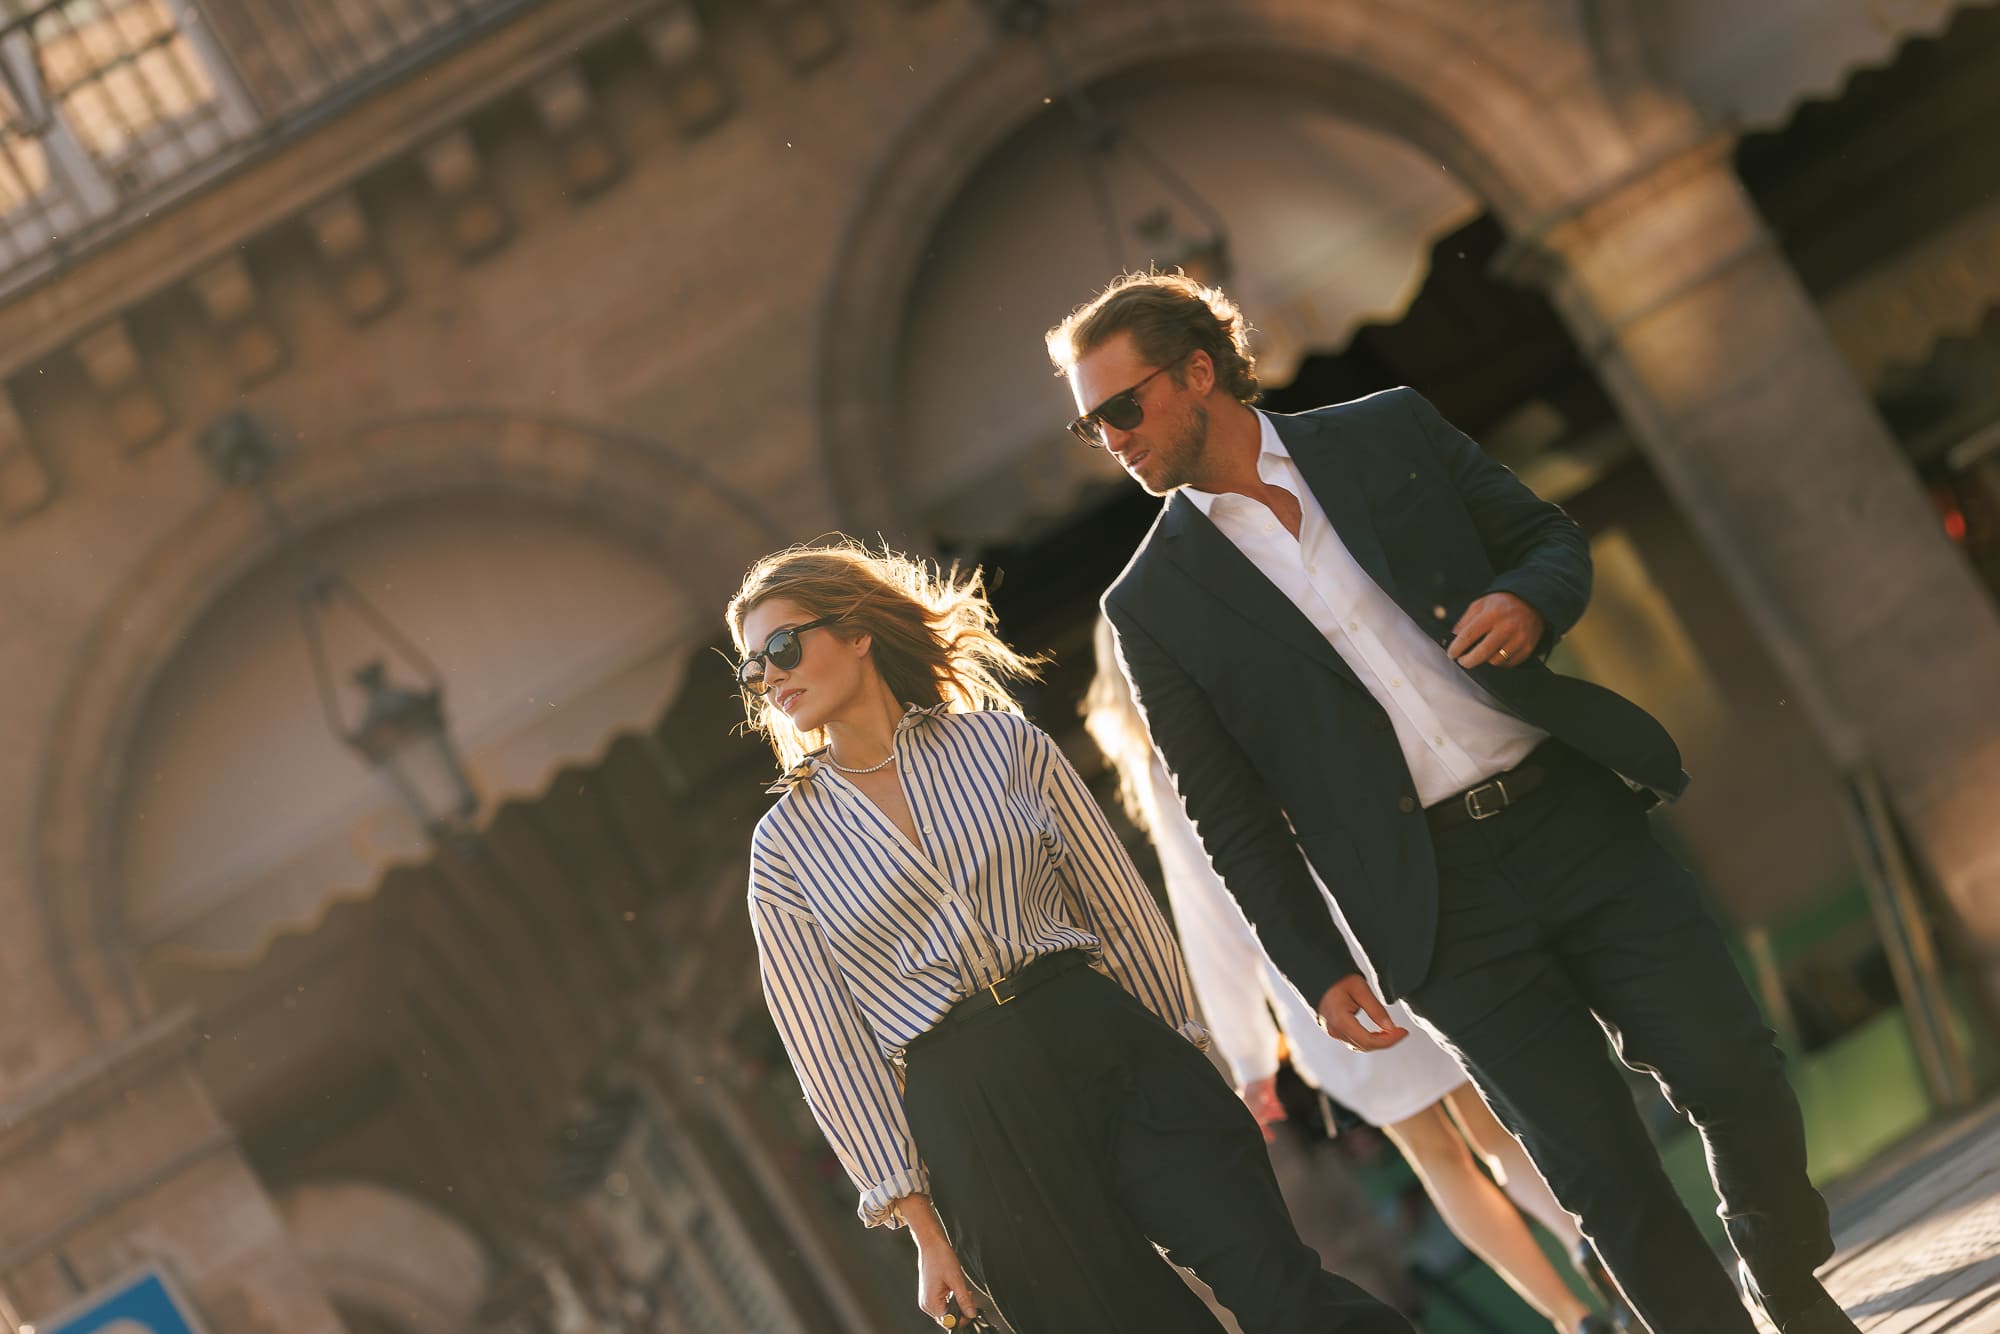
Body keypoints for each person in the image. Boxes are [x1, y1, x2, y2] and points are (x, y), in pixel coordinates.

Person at [1045, 271, 1855, 1334]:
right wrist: (1316, 968)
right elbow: (1222, 812)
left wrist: (1526, 599)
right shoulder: (1149, 604)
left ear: (1198, 370)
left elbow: (1546, 539)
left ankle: (1782, 1281)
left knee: (1731, 1068)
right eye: (1089, 421)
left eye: (1121, 406)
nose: (1110, 437)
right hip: (1434, 908)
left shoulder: (1386, 431)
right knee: (1599, 1173)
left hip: (1569, 815)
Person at [730, 541, 1413, 1334]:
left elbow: (1122, 915)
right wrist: (925, 1230)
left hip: (1105, 1040)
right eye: (753, 670)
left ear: (858, 633)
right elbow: (830, 1050)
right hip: (972, 1105)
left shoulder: (1003, 746)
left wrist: (1185, 1058)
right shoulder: (784, 847)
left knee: (1283, 1292)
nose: (770, 677)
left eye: (782, 647)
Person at [1083, 619, 1620, 1334]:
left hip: (1314, 985)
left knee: (1437, 1160)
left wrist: (1248, 1059)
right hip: (1390, 937)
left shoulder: (1161, 766)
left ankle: (1572, 1317)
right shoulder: (1246, 699)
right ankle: (1587, 1240)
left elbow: (1212, 918)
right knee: (1496, 1127)